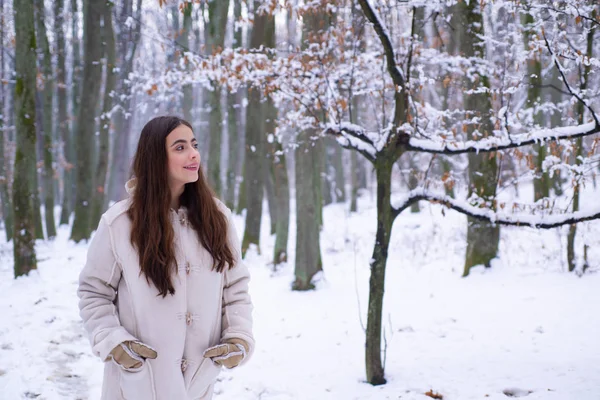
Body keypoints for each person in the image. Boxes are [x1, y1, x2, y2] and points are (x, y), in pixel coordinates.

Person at [77, 116, 254, 400]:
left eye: (194, 145)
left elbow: (235, 289)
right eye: (180, 147)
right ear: (155, 157)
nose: (194, 153)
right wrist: (116, 344)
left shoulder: (217, 218)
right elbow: (93, 292)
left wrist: (238, 338)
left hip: (197, 386)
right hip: (137, 385)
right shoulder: (119, 223)